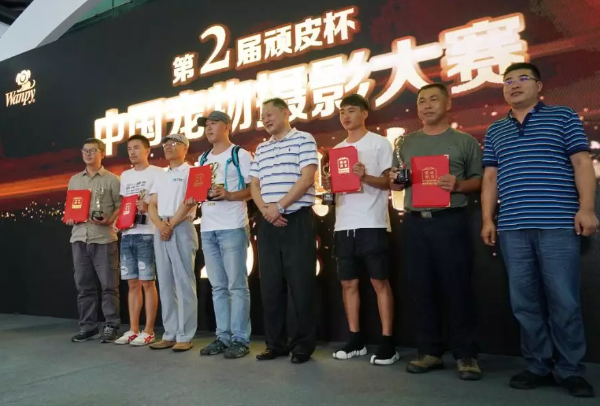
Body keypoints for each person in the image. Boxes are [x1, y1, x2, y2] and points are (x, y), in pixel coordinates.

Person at [481, 62, 598, 398]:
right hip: (512, 228)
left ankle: (571, 369)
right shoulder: (495, 130)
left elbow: (581, 163)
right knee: (524, 302)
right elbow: (490, 177)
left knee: (564, 300)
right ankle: (537, 365)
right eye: (508, 81)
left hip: (558, 224)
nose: (514, 85)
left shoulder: (563, 117)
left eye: (523, 79)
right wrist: (488, 219)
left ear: (539, 85)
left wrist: (587, 208)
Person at [389, 83, 483, 380]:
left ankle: (465, 355)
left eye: (433, 99)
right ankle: (429, 352)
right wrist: (396, 180)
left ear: (448, 104)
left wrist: (458, 184)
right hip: (415, 222)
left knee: (457, 288)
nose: (427, 105)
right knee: (421, 288)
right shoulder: (405, 143)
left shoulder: (464, 141)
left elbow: (480, 180)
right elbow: (395, 182)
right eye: (421, 101)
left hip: (450, 221)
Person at [326, 94, 398, 365]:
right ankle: (356, 339)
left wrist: (364, 176)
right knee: (348, 283)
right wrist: (331, 186)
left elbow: (391, 182)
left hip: (372, 222)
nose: (346, 116)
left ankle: (388, 342)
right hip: (344, 224)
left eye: (351, 111)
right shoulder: (337, 149)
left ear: (365, 113)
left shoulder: (379, 143)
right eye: (342, 112)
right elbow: (337, 187)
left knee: (380, 282)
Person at [250, 98, 318, 364]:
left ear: (286, 113)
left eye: (270, 114)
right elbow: (254, 185)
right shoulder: (262, 148)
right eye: (262, 116)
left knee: (301, 286)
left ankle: (302, 346)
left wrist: (279, 207)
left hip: (296, 220)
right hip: (268, 222)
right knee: (270, 286)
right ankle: (274, 343)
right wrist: (266, 210)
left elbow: (307, 177)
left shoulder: (304, 139)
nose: (265, 119)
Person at [194, 111, 253, 359]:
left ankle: (240, 339)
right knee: (217, 287)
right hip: (208, 228)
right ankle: (223, 336)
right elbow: (197, 191)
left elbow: (253, 189)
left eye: (213, 124)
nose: (208, 128)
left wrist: (229, 195)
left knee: (236, 285)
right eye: (206, 125)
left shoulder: (240, 154)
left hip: (232, 226)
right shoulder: (202, 158)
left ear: (227, 126)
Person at [147, 133, 199, 352]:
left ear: (185, 148)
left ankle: (185, 335)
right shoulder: (160, 175)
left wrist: (171, 224)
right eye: (166, 144)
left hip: (182, 226)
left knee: (184, 282)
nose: (168, 147)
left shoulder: (193, 171)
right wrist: (160, 225)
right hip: (161, 228)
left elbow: (191, 201)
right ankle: (169, 333)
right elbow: (151, 204)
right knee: (165, 282)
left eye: (174, 143)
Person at [67, 138, 121, 344]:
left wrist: (110, 220)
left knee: (109, 285)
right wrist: (70, 216)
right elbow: (71, 205)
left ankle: (111, 325)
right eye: (85, 150)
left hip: (103, 238)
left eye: (93, 150)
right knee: (84, 286)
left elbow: (121, 205)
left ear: (102, 153)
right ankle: (88, 327)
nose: (88, 154)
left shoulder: (112, 179)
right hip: (79, 237)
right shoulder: (74, 180)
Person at [114, 135, 163, 346]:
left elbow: (162, 201)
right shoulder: (125, 176)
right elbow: (124, 204)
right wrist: (119, 223)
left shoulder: (158, 173)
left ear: (147, 150)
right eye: (129, 149)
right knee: (132, 283)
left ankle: (149, 330)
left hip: (147, 233)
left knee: (147, 282)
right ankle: (133, 329)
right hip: (127, 234)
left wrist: (149, 205)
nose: (132, 152)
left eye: (136, 148)